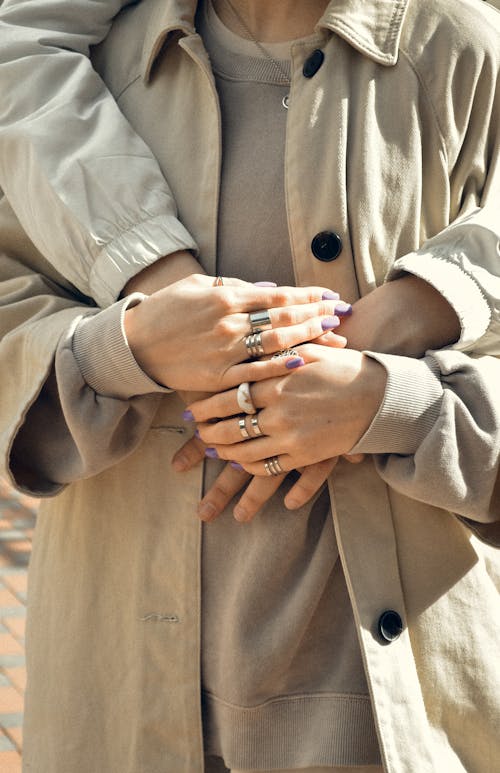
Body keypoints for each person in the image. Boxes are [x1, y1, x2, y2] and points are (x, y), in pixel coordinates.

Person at [0, 1, 499, 772]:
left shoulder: (464, 56)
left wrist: (389, 402)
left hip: (399, 720)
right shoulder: (88, 76)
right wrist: (125, 346)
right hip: (123, 714)